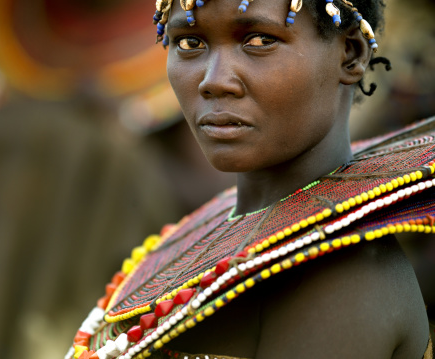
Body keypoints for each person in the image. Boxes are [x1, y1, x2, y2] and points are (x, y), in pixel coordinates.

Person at [66, 0, 434, 358]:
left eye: (259, 40)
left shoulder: (344, 276)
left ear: (350, 54)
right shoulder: (210, 223)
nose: (213, 81)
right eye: (189, 43)